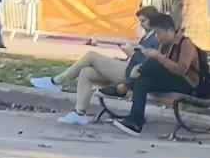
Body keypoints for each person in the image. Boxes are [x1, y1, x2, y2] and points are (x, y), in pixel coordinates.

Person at [30, 7, 164, 126]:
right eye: (140, 21)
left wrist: (132, 53)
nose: (142, 25)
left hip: (131, 73)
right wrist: (129, 53)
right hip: (128, 67)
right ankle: (79, 113)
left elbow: (148, 61)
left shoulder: (156, 37)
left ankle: (56, 81)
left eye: (144, 21)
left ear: (153, 19)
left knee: (91, 56)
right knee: (87, 72)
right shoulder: (148, 35)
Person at [112, 11, 201, 134]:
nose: (157, 37)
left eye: (159, 33)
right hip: (171, 80)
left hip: (188, 83)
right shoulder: (165, 44)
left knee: (154, 62)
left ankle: (125, 86)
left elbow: (181, 70)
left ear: (170, 30)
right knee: (142, 82)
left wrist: (158, 57)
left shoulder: (186, 44)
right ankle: (135, 122)